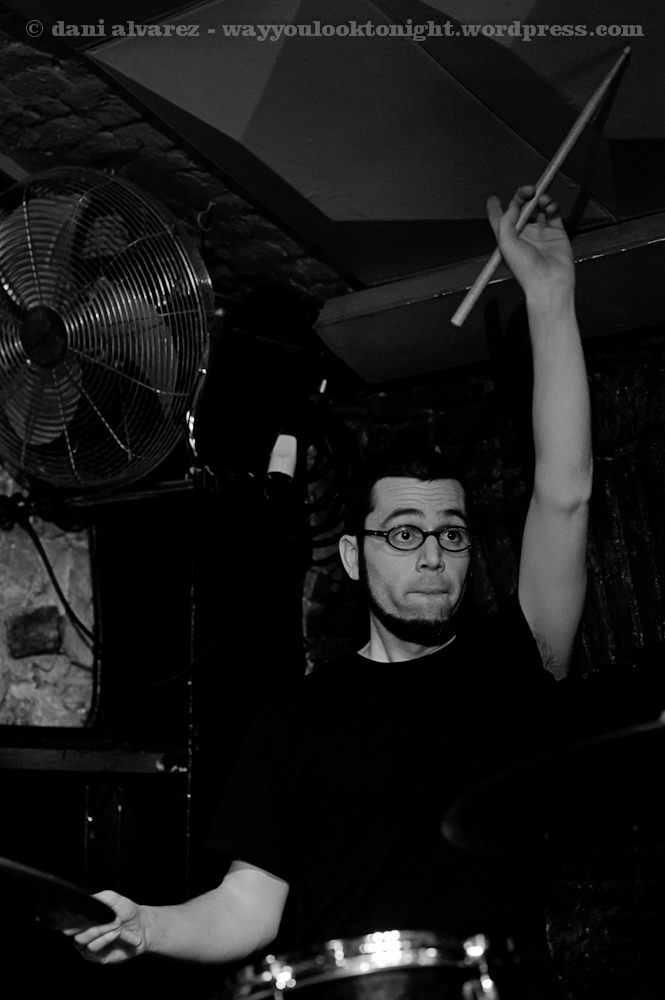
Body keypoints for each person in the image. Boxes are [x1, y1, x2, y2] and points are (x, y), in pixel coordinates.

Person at [68, 186, 591, 981]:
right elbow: (247, 908)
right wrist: (147, 927)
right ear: (352, 556)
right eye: (403, 534)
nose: (431, 555)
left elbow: (564, 492)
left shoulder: (515, 661)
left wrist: (550, 297)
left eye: (450, 535)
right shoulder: (294, 719)